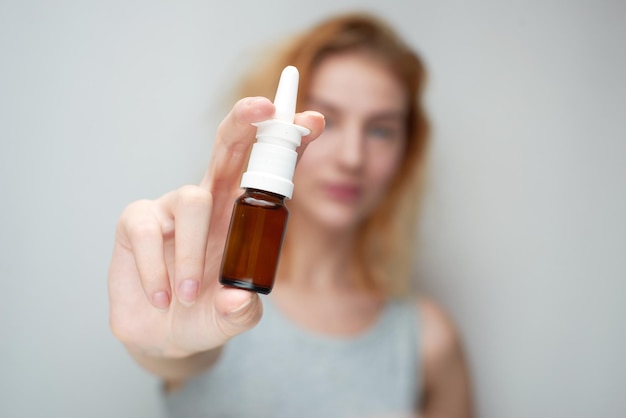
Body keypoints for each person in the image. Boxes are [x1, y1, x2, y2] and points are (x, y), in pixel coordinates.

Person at [108, 12, 473, 418]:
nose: (352, 157)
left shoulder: (429, 342)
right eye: (328, 120)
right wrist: (164, 344)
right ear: (279, 131)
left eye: (380, 129)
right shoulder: (213, 297)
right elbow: (178, 350)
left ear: (406, 152)